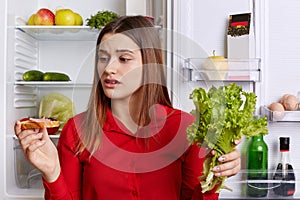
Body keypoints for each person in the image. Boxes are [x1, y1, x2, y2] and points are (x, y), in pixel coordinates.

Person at [14, 15, 241, 200]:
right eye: (103, 58)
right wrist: (52, 172)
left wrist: (216, 173)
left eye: (123, 59)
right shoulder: (77, 130)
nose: (109, 68)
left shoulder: (186, 129)